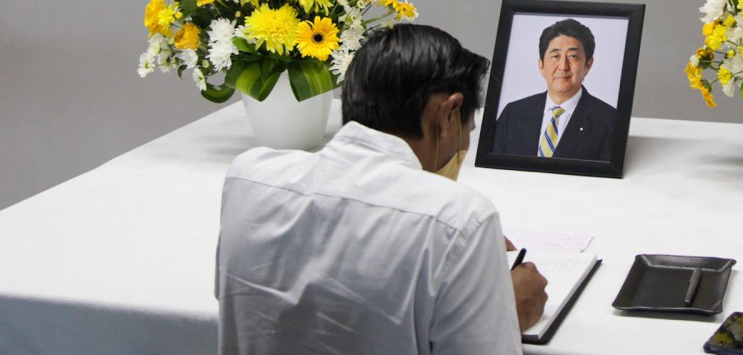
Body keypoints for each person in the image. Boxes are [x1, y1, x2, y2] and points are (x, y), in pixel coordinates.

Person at [216, 24, 548, 355]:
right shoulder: (460, 219)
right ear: (448, 113)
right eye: (467, 130)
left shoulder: (248, 179)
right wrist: (501, 315)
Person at [493, 18, 617, 161]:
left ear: (588, 65)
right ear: (541, 65)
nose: (563, 66)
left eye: (573, 56)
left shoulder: (609, 121)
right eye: (555, 56)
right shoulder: (513, 114)